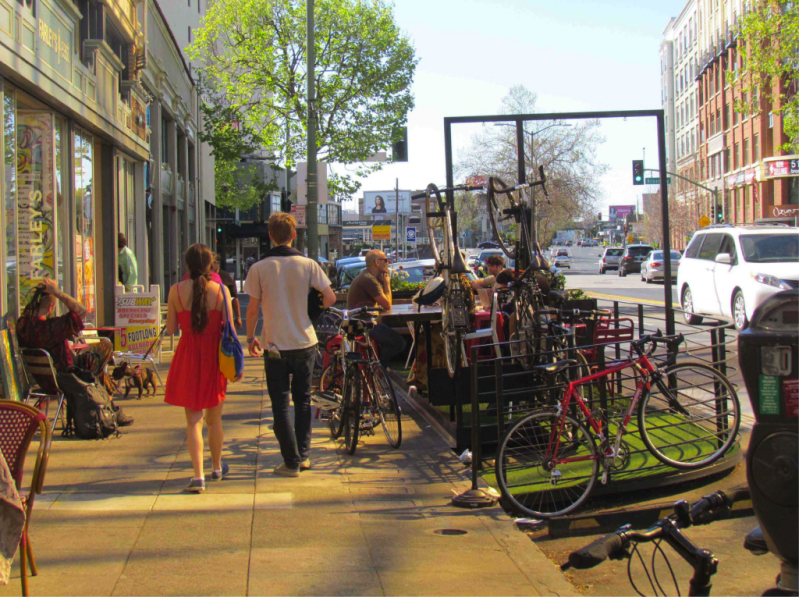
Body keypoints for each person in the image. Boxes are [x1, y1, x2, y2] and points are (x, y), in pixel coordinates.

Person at [245, 213, 336, 477]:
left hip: (274, 345)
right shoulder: (308, 265)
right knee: (304, 400)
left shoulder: (259, 268)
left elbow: (252, 309)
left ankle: (290, 461)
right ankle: (303, 456)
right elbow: (329, 296)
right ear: (294, 234)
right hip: (305, 341)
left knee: (281, 404)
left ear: (270, 236)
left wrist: (251, 338)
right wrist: (310, 312)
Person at [16, 279, 134, 426]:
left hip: (41, 378)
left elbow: (31, 311)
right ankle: (112, 411)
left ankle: (113, 410)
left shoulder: (23, 326)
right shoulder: (53, 327)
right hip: (66, 377)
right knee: (104, 347)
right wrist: (56, 292)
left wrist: (44, 293)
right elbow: (82, 311)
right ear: (51, 307)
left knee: (94, 367)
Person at [165, 244, 233, 493]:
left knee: (193, 421)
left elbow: (171, 329)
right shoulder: (221, 290)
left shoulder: (175, 291)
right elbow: (231, 331)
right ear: (210, 264)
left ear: (187, 264)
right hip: (214, 357)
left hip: (188, 356)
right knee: (214, 421)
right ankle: (216, 467)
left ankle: (198, 476)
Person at [347, 249, 407, 369]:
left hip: (360, 323)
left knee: (390, 338)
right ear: (376, 262)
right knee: (399, 343)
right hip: (363, 325)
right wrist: (386, 283)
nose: (388, 262)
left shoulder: (367, 276)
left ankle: (379, 369)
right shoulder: (369, 279)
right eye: (385, 260)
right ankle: (380, 369)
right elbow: (387, 304)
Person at [213, 255, 242, 329]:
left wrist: (238, 316)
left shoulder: (226, 276)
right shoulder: (204, 277)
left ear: (218, 264)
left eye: (214, 262)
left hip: (224, 317)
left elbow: (234, 297)